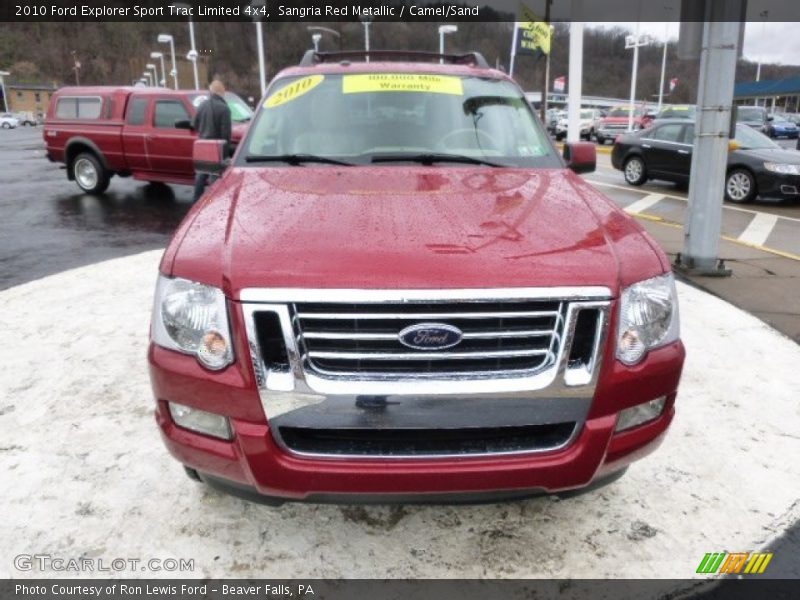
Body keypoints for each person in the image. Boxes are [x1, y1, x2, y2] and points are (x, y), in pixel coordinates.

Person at [192, 80, 232, 201]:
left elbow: (195, 125)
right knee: (214, 176)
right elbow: (226, 134)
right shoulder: (224, 109)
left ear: (211, 91)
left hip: (203, 146)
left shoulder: (202, 105)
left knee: (200, 175)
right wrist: (227, 153)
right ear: (222, 92)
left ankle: (196, 201)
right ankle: (212, 202)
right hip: (216, 147)